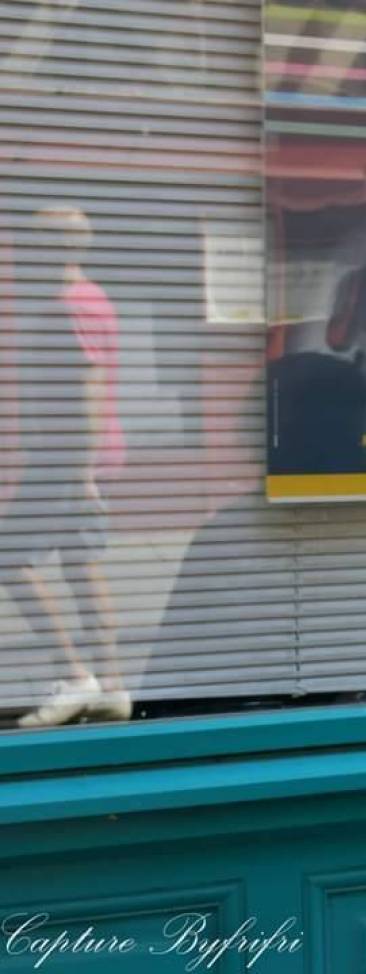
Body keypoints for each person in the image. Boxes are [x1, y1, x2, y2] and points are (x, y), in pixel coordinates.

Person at [2, 206, 130, 727]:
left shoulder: (69, 305)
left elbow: (88, 389)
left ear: (53, 248)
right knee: (81, 562)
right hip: (79, 456)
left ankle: (75, 676)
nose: (21, 253)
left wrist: (79, 474)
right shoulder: (92, 297)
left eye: (30, 243)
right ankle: (113, 686)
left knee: (8, 556)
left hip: (68, 457)